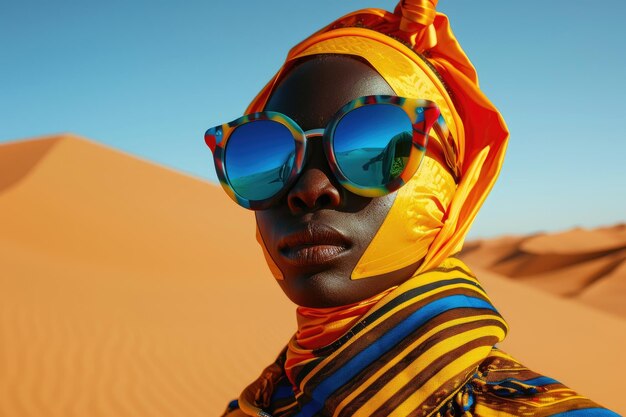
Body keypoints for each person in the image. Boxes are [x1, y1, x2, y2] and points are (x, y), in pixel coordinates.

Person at [204, 1, 620, 416]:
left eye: (374, 151)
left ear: (450, 188)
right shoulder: (259, 403)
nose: (310, 189)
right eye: (271, 158)